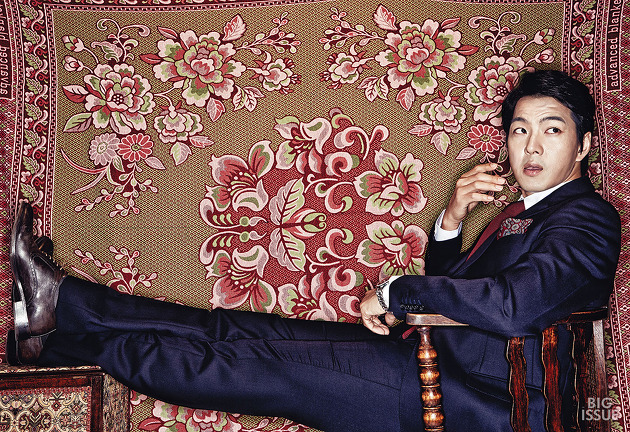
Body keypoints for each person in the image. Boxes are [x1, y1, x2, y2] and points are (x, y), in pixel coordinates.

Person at [7, 70, 620, 432]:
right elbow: (463, 293)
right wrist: (452, 222)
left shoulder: (588, 219)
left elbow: (511, 307)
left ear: (585, 144)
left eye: (552, 130)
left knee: (248, 366)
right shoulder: (525, 212)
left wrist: (396, 292)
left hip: (482, 405)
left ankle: (65, 344)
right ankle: (63, 305)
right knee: (235, 331)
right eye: (519, 129)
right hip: (430, 360)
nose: (531, 147)